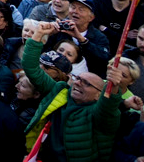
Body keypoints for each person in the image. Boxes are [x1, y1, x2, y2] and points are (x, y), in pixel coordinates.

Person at [22, 21, 124, 162]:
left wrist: (114, 86)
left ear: (98, 95)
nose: (78, 83)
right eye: (77, 78)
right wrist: (38, 34)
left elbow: (108, 107)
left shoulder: (98, 114)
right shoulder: (61, 91)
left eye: (86, 83)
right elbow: (31, 68)